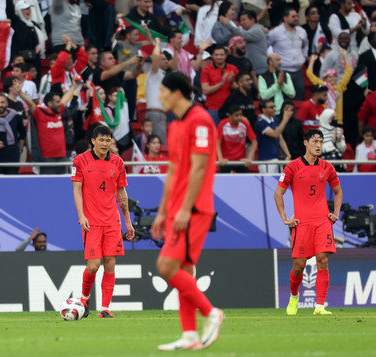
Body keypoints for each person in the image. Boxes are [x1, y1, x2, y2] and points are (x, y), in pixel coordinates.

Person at [151, 72, 222, 351]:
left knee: (165, 266)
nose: (159, 97)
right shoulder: (175, 125)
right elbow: (171, 172)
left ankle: (210, 312)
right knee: (184, 270)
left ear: (176, 92)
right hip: (176, 209)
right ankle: (189, 334)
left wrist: (185, 208)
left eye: (163, 91)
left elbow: (200, 168)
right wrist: (162, 211)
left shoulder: (201, 120)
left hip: (193, 209)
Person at [274, 129, 343, 316]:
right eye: (315, 141)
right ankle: (294, 296)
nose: (319, 145)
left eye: (321, 141)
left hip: (322, 221)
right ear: (306, 143)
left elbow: (338, 192)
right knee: (299, 266)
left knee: (323, 260)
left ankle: (320, 306)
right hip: (301, 223)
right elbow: (278, 193)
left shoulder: (327, 167)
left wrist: (335, 213)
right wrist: (285, 218)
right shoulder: (292, 167)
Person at [71, 124, 134, 318]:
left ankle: (105, 308)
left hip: (112, 222)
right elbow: (77, 189)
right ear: (93, 141)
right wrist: (81, 215)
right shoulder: (80, 160)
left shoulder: (118, 163)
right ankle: (83, 298)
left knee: (110, 264)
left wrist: (128, 222)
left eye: (108, 140)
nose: (105, 143)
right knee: (93, 266)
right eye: (102, 140)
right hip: (92, 222)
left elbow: (121, 192)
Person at [19, 83, 78, 174]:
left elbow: (65, 99)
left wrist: (74, 87)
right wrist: (20, 92)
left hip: (62, 157)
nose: (60, 104)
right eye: (57, 102)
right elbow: (30, 103)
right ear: (50, 104)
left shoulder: (58, 112)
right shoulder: (39, 113)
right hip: (47, 159)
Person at [267, 8, 309, 100]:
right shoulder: (276, 32)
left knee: (299, 98)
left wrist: (304, 56)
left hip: (298, 71)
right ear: (285, 18)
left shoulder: (302, 31)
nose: (296, 18)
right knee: (284, 100)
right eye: (293, 16)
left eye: (297, 16)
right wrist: (272, 60)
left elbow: (306, 44)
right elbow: (266, 45)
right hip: (283, 71)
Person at [306, 50, 352, 126]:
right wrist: (312, 61)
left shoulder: (340, 87)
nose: (333, 79)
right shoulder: (322, 85)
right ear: (325, 78)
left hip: (337, 120)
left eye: (335, 76)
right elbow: (309, 74)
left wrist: (345, 56)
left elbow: (348, 72)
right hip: (325, 119)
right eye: (330, 77)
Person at [200, 46, 238, 125]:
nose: (219, 57)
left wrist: (231, 82)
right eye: (216, 55)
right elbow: (205, 90)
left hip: (230, 109)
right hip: (213, 109)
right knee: (214, 135)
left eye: (221, 55)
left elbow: (239, 89)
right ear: (212, 56)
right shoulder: (206, 70)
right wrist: (221, 83)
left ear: (225, 56)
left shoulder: (233, 68)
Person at [225, 10, 268, 76]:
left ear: (253, 20)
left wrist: (227, 24)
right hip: (253, 68)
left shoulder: (256, 30)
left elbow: (241, 35)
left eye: (244, 20)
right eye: (240, 21)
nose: (241, 23)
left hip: (259, 69)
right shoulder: (252, 30)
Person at [217, 104, 257, 173]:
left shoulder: (245, 124)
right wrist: (220, 158)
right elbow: (217, 143)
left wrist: (249, 158)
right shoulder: (223, 124)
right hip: (226, 161)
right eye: (236, 115)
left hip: (241, 161)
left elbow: (254, 142)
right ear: (230, 116)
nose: (239, 117)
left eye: (240, 115)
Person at [255, 99, 291, 173]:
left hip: (277, 158)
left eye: (274, 106)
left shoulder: (275, 120)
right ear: (263, 109)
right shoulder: (260, 122)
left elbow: (280, 137)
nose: (274, 109)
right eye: (271, 107)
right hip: (266, 161)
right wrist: (285, 119)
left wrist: (288, 154)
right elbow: (275, 134)